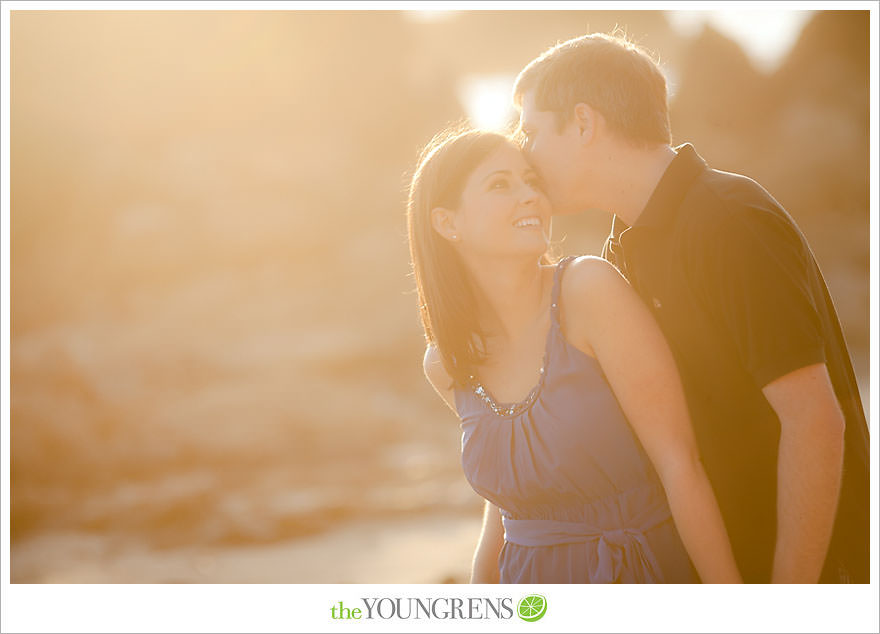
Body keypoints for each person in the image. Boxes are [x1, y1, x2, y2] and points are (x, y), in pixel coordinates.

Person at [512, 32, 869, 583]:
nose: (523, 152)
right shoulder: (621, 249)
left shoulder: (727, 218)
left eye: (531, 130)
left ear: (583, 123)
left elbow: (815, 420)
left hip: (803, 574)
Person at [406, 124, 742, 583]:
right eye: (500, 185)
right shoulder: (446, 364)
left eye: (531, 181)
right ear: (447, 223)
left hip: (640, 577)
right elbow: (509, 504)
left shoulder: (588, 290)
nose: (530, 196)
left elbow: (679, 464)